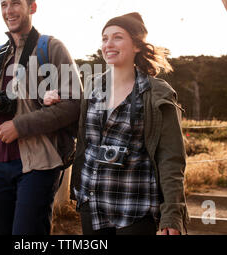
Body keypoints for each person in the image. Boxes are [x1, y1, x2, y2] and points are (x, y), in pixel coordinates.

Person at [45, 12, 189, 235]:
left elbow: (171, 158)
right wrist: (56, 101)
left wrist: (172, 213)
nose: (108, 44)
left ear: (137, 46)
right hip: (91, 204)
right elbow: (83, 135)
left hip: (135, 206)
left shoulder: (157, 94)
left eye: (118, 37)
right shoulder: (92, 88)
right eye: (104, 38)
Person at [0, 0, 81, 235]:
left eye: (15, 3)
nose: (8, 11)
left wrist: (20, 126)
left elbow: (74, 103)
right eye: (4, 5)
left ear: (32, 7)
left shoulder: (51, 48)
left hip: (39, 162)